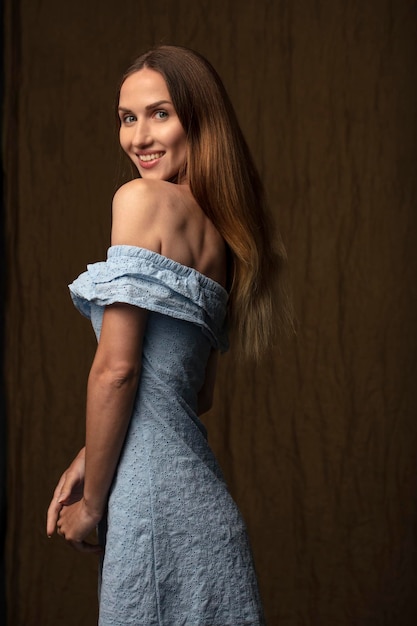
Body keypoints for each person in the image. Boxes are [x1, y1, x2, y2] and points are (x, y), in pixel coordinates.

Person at [47, 45, 291, 625]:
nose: (139, 137)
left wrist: (93, 505)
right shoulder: (222, 234)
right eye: (127, 118)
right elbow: (189, 394)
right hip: (203, 508)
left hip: (150, 504)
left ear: (198, 120)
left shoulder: (140, 201)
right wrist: (91, 450)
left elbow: (119, 369)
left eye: (160, 113)